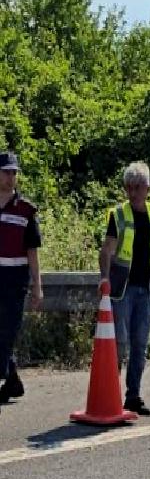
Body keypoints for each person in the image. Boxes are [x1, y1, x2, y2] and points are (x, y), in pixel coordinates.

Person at [99, 161, 150, 417]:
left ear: (147, 188)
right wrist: (104, 277)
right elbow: (107, 250)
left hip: (147, 289)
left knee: (140, 345)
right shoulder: (118, 215)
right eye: (128, 187)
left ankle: (133, 396)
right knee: (120, 344)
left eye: (137, 187)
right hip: (123, 290)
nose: (131, 192)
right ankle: (110, 395)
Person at [0, 151, 43, 405]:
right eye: (6, 172)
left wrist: (38, 286)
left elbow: (32, 251)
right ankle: (12, 379)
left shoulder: (26, 210)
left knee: (6, 331)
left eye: (14, 173)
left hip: (15, 282)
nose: (10, 177)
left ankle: (5, 375)